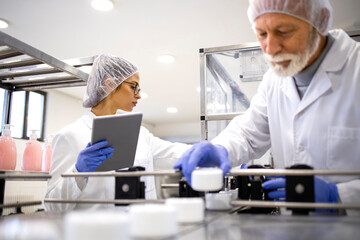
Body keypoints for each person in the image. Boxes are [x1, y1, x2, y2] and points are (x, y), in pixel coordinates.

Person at [174, 0, 360, 215]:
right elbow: (248, 134)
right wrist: (220, 149)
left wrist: (338, 196)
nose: (270, 49)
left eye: (284, 32)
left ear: (320, 22)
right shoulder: (273, 80)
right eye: (262, 34)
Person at [45, 54, 190, 211]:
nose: (139, 94)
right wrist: (78, 172)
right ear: (110, 84)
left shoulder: (140, 134)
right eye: (133, 86)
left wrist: (210, 150)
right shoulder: (70, 136)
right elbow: (52, 206)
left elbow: (174, 153)